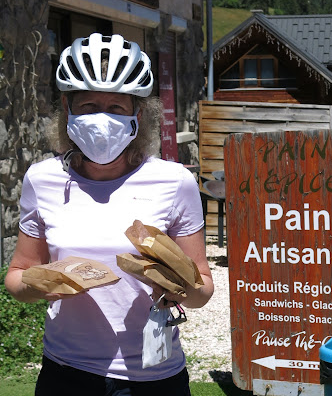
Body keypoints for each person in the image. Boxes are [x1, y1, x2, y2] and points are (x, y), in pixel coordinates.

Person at [5, 33, 214, 396]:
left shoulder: (174, 181)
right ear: (67, 111)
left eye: (116, 108)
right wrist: (44, 283)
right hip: (66, 373)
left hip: (153, 377)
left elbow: (202, 291)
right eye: (88, 107)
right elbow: (17, 280)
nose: (101, 119)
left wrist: (176, 285)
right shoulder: (42, 179)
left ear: (138, 114)